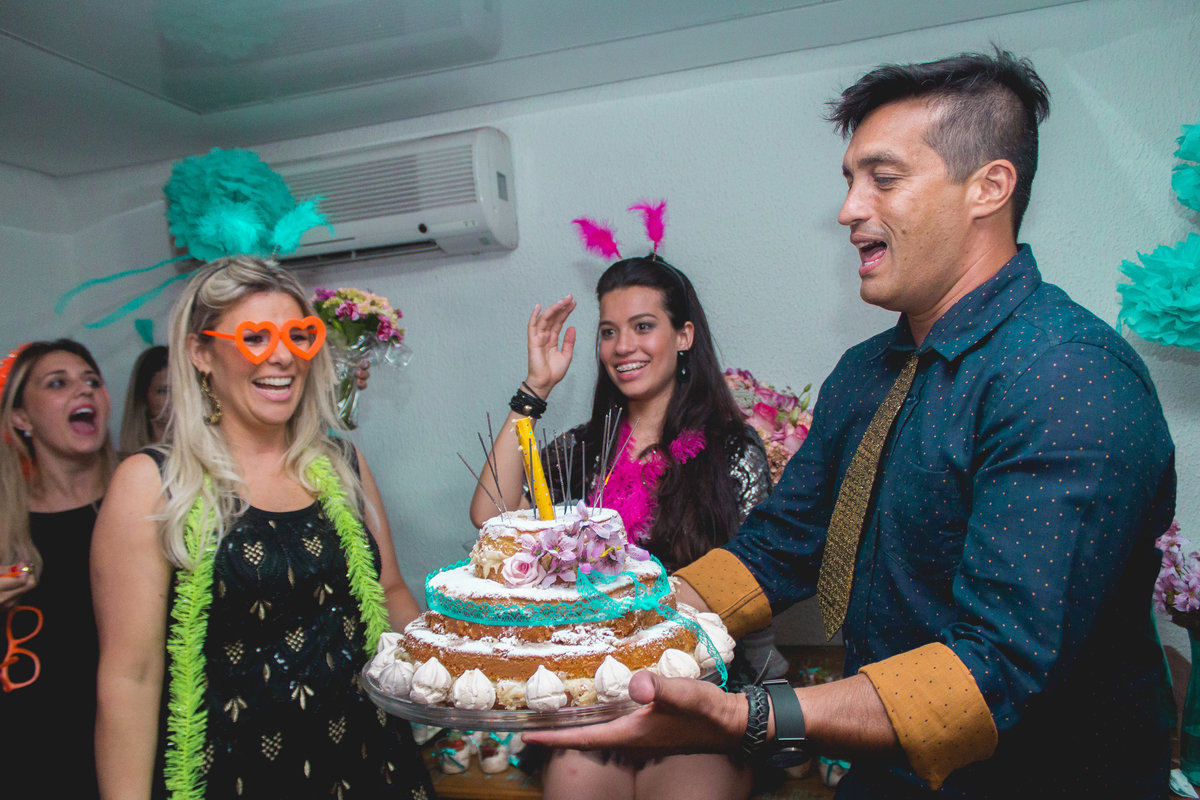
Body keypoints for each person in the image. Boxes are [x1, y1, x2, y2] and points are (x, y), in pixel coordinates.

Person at [528, 50, 1176, 800]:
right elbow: (780, 547)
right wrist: (607, 626)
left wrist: (745, 717)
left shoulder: (1066, 376)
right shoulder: (867, 372)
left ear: (989, 188)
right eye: (849, 181)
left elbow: (996, 664)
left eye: (884, 178)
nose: (848, 209)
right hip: (886, 772)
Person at [92, 256, 434, 799]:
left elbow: (389, 591)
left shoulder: (343, 463)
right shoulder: (152, 483)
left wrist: (462, 684)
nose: (283, 356)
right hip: (240, 773)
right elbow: (130, 678)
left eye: (299, 336)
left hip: (373, 762)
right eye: (255, 337)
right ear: (200, 353)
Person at [470, 254, 776, 800]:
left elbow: (759, 580)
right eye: (609, 331)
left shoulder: (731, 452)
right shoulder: (582, 450)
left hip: (699, 692)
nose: (622, 346)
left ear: (684, 336)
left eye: (643, 326)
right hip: (591, 696)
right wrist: (534, 389)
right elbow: (491, 515)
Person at [1, 339, 120, 800]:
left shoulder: (142, 501)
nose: (84, 390)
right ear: (21, 418)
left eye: (92, 380)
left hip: (138, 746)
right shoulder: (7, 525)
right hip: (36, 758)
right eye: (57, 384)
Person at [119, 345, 170, 454]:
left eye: (181, 389)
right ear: (143, 399)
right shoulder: (134, 460)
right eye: (163, 390)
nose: (174, 398)